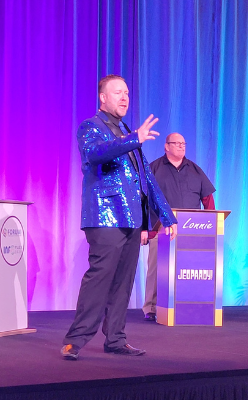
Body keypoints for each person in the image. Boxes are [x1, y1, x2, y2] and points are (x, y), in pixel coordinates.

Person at [61, 75, 178, 360]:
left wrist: (166, 215)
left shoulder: (126, 130)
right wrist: (133, 138)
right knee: (99, 279)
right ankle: (75, 339)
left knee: (124, 282)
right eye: (117, 93)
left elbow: (146, 177)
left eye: (126, 92)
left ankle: (115, 338)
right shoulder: (91, 126)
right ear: (103, 97)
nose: (124, 97)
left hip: (131, 219)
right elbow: (94, 154)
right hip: (105, 216)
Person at [141, 133, 216, 322]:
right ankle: (151, 307)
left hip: (192, 230)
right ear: (166, 146)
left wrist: (212, 225)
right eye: (177, 143)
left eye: (184, 143)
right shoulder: (154, 168)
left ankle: (189, 305)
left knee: (190, 269)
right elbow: (143, 200)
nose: (182, 146)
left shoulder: (195, 170)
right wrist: (144, 228)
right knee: (156, 269)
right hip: (161, 229)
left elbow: (208, 199)